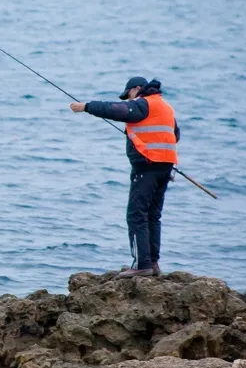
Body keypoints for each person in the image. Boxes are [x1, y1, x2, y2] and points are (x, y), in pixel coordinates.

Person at [69, 77, 180, 278]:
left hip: (147, 166)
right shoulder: (165, 107)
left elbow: (116, 110)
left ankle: (142, 265)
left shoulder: (143, 103)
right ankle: (153, 263)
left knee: (137, 215)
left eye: (129, 95)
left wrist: (86, 107)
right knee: (153, 216)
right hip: (165, 166)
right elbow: (175, 135)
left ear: (137, 89)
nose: (129, 100)